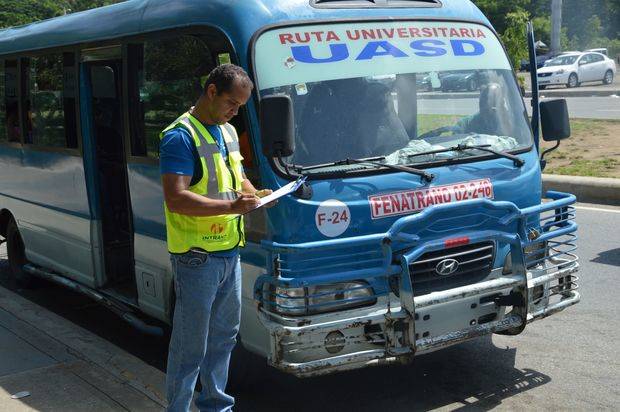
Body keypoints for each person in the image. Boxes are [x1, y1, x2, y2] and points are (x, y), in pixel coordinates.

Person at [160, 63, 273, 412]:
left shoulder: (226, 132)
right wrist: (233, 205)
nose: (234, 112)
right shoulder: (179, 136)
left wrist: (255, 194)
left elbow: (237, 179)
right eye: (230, 103)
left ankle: (216, 406)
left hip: (228, 252)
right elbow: (176, 198)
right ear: (211, 91)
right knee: (190, 345)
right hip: (196, 257)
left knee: (224, 338)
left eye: (240, 107)